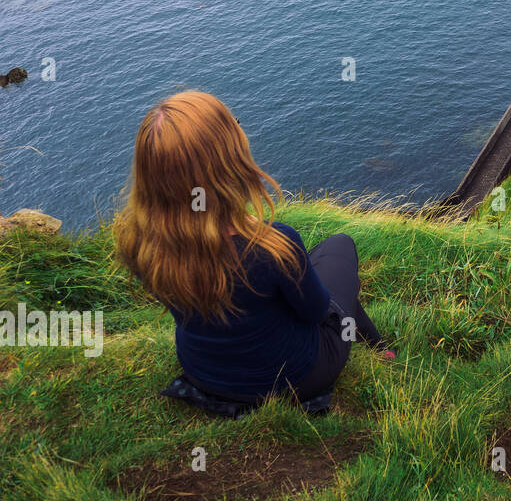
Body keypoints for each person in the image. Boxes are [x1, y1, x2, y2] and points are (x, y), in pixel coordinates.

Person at [114, 90, 391, 406]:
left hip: (205, 373)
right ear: (226, 161)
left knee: (307, 268)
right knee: (340, 247)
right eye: (235, 126)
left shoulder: (139, 242)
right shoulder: (271, 246)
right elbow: (316, 312)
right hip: (294, 379)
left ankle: (381, 347)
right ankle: (382, 349)